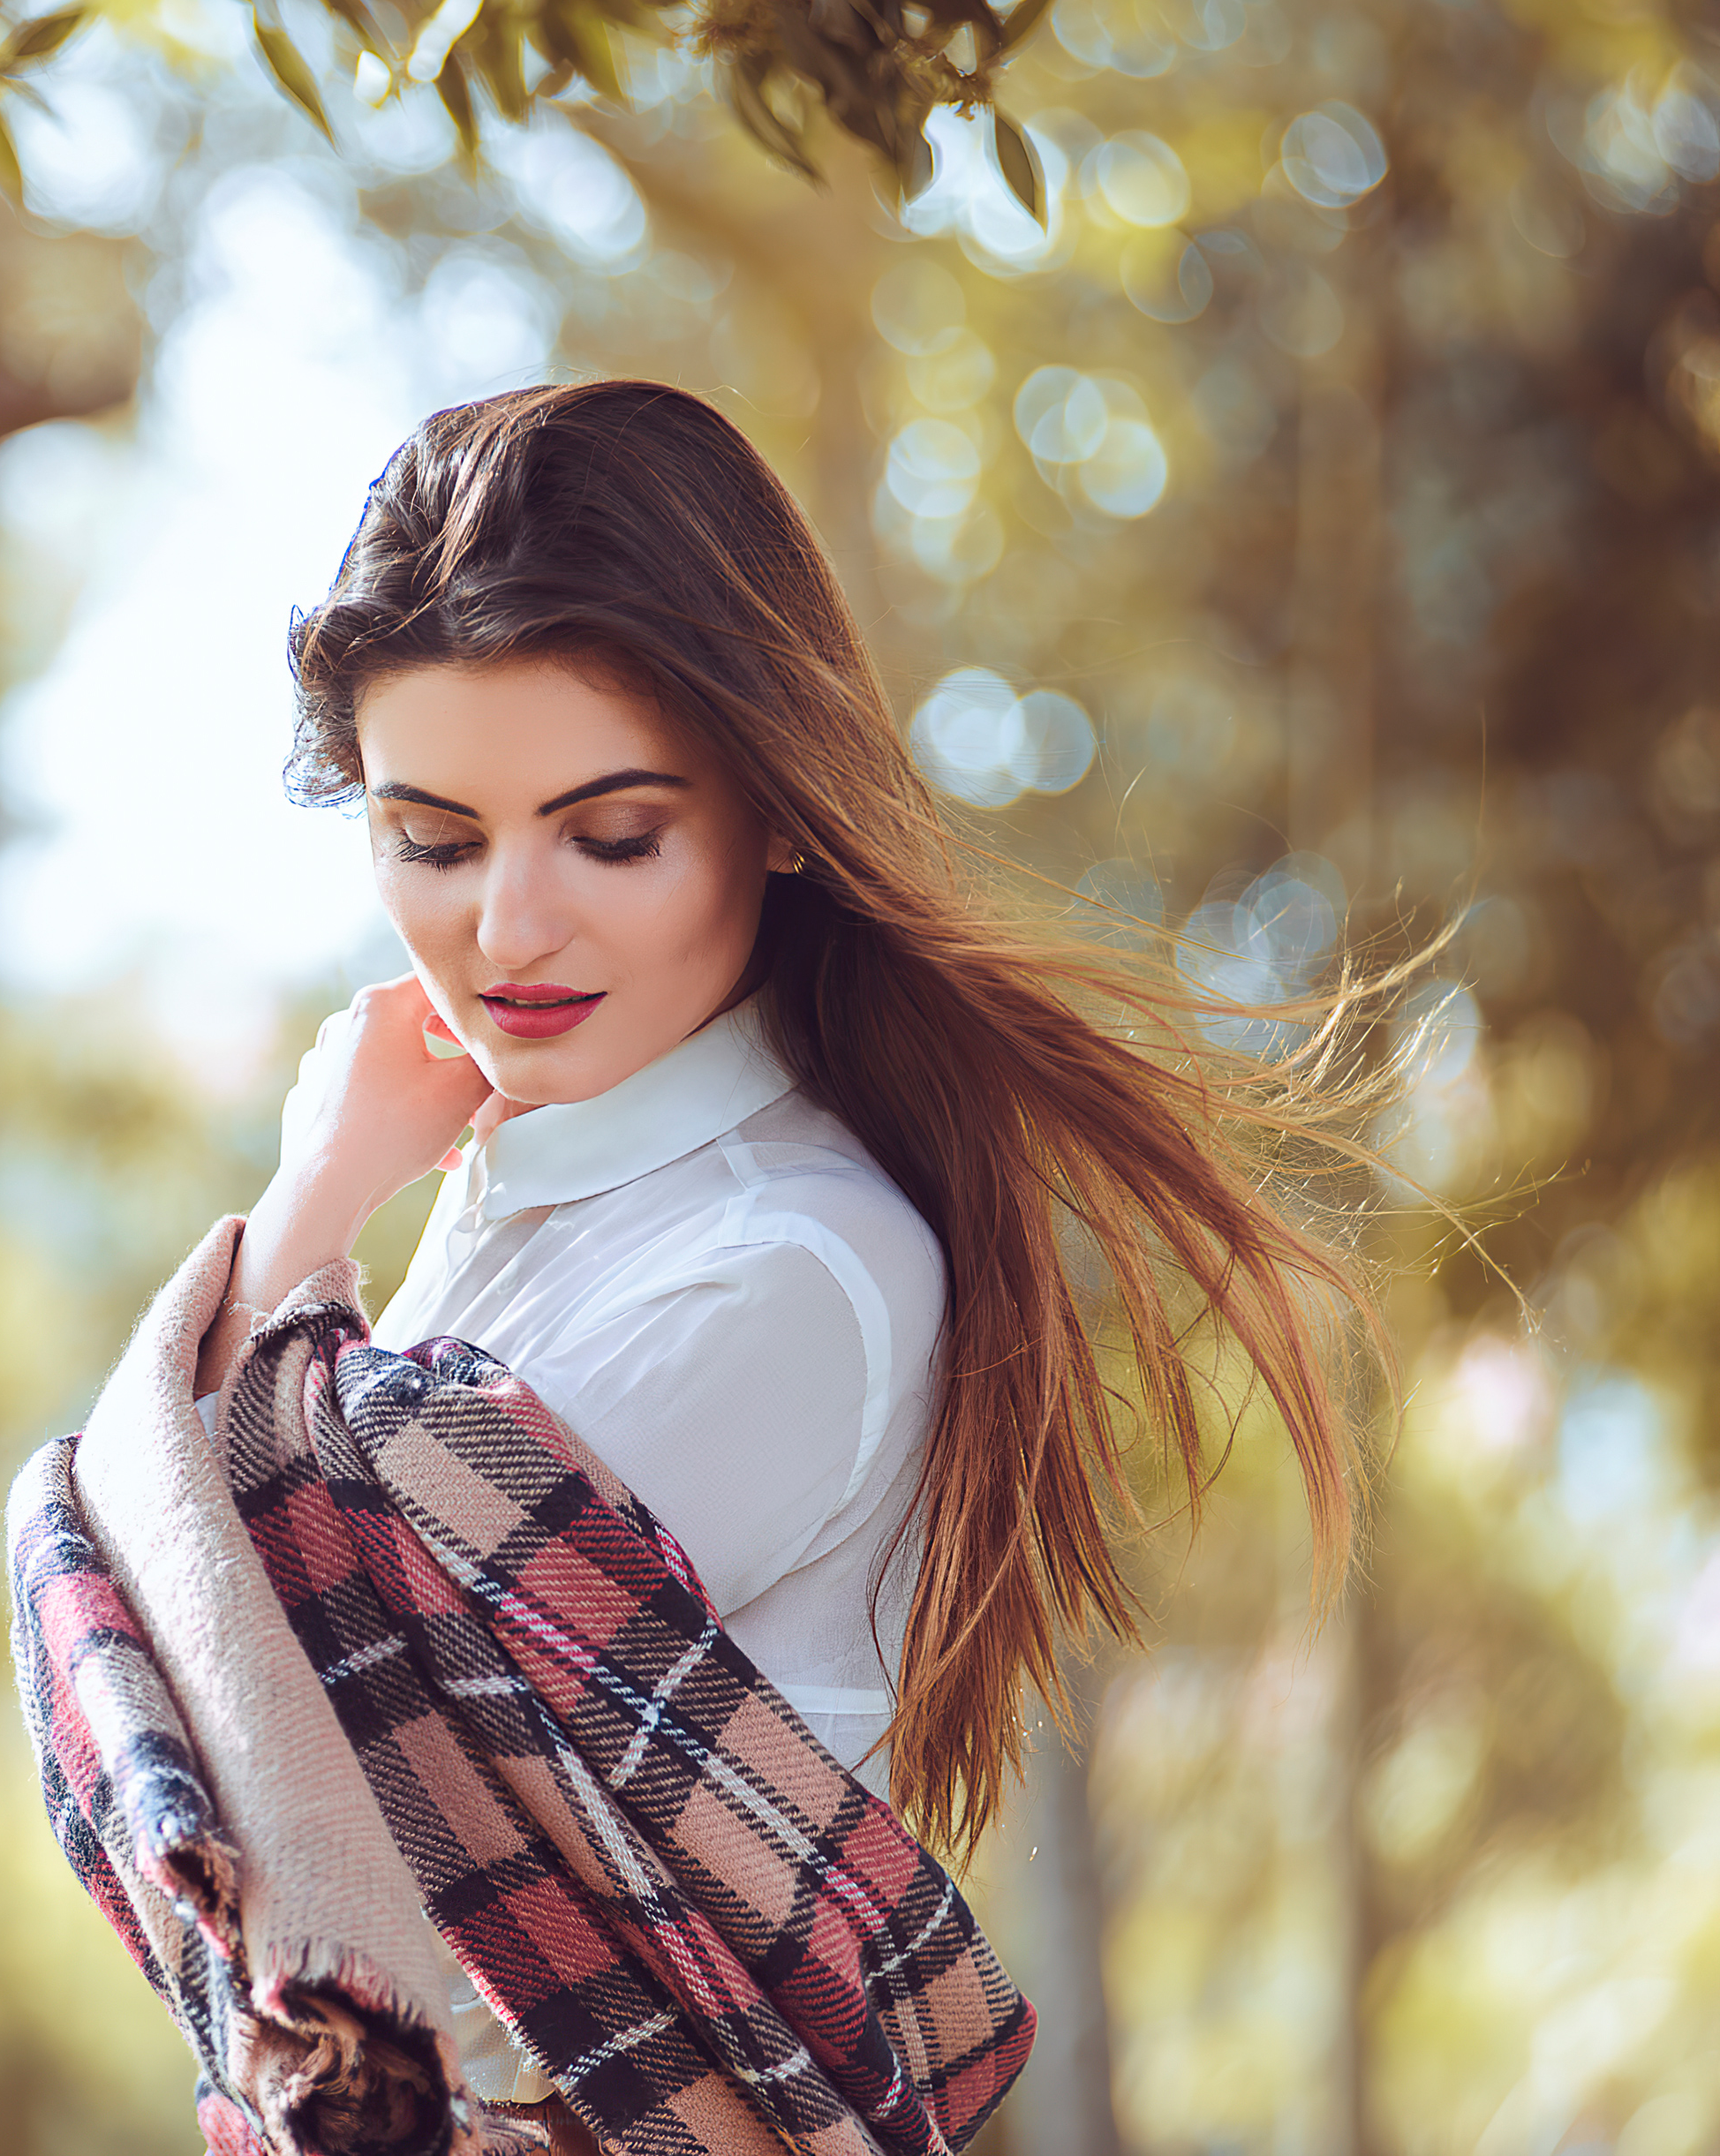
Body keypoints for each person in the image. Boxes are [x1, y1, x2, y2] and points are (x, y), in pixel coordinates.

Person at [185, 380, 1376, 2119]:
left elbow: (248, 1723)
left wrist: (304, 1209)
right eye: (431, 839)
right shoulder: (523, 1183)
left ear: (781, 808)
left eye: (612, 834)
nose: (507, 926)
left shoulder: (782, 1273)